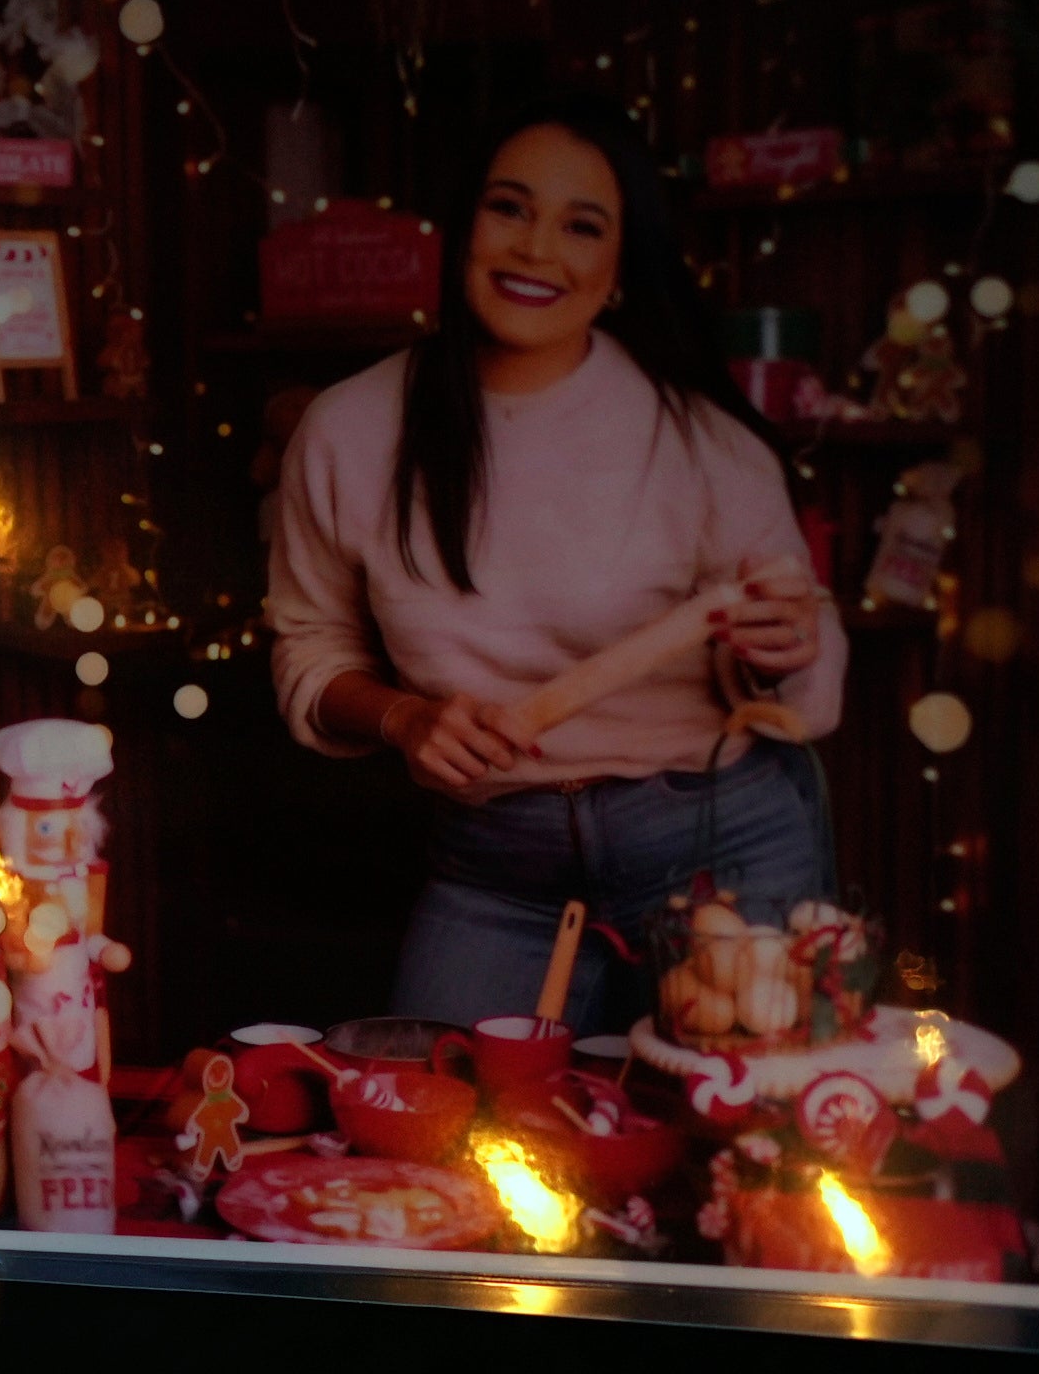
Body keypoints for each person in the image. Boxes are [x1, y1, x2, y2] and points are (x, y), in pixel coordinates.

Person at [265, 93, 847, 1020]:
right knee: (453, 1144)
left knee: (745, 1148)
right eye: (510, 209)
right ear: (463, 231)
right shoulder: (348, 430)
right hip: (495, 868)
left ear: (618, 269)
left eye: (582, 226)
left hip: (716, 847)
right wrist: (406, 718)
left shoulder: (702, 444)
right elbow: (310, 647)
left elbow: (799, 678)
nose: (537, 251)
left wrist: (784, 648)